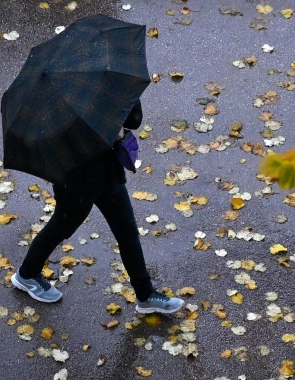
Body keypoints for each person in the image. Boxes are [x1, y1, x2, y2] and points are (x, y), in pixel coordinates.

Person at [11, 101, 185, 315]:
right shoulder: (60, 97)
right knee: (61, 228)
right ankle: (27, 274)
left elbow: (133, 119)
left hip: (108, 170)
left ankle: (145, 295)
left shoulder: (105, 83)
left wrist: (116, 125)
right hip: (74, 179)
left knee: (127, 232)